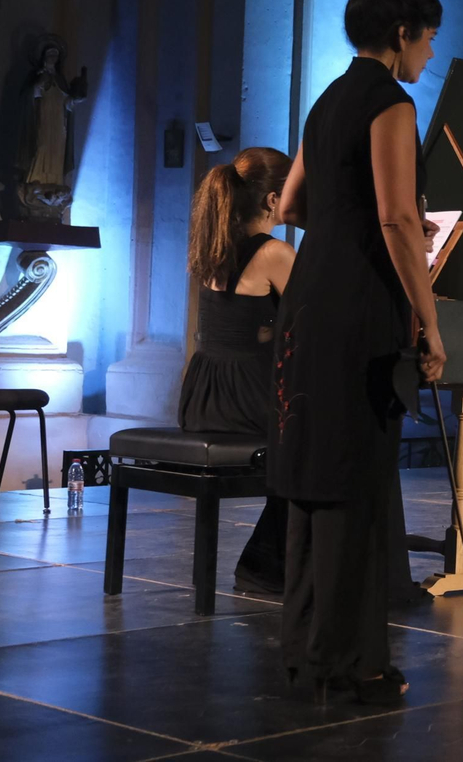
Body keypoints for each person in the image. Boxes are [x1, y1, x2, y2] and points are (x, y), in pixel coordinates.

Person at [269, 0, 444, 705]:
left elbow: (290, 208)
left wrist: (346, 227)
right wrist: (430, 325)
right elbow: (400, 217)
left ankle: (309, 654)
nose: (431, 54)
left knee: (314, 482)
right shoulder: (391, 103)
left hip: (308, 301)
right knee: (355, 484)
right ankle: (351, 666)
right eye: (429, 39)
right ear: (401, 32)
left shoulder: (327, 99)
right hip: (358, 312)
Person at [180, 147, 295, 595]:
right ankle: (268, 565)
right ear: (271, 201)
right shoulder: (274, 253)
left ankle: (267, 563)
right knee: (321, 440)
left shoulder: (215, 245)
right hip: (246, 401)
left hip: (204, 399)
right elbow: (323, 315)